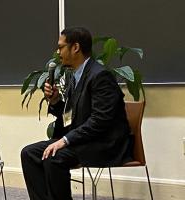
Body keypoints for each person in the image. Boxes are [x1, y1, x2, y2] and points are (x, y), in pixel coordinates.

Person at [21, 27, 133, 200]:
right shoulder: (76, 76)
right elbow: (71, 116)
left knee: (54, 157)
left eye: (61, 47)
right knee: (29, 153)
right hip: (83, 140)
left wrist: (64, 141)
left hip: (104, 143)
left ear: (75, 48)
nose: (58, 52)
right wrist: (56, 101)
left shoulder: (101, 76)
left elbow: (99, 121)